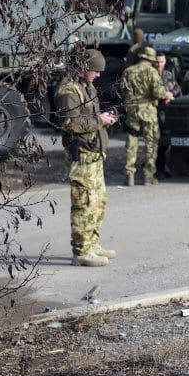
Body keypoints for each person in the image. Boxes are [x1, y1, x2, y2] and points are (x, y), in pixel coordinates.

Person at [54, 48, 119, 267]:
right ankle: (81, 251)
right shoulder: (68, 91)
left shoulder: (86, 86)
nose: (98, 75)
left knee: (98, 203)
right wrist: (99, 120)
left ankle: (92, 244)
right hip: (81, 156)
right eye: (95, 71)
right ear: (82, 68)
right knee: (84, 204)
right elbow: (70, 123)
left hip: (93, 154)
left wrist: (103, 119)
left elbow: (89, 117)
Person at [121, 46, 174, 186]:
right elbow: (157, 92)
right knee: (151, 143)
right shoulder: (152, 72)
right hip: (148, 111)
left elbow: (123, 91)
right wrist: (166, 93)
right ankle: (148, 176)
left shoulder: (128, 71)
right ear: (150, 59)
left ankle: (129, 175)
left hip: (133, 111)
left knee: (131, 142)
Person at [155, 51, 182, 180]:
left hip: (165, 112)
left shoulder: (168, 74)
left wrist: (171, 93)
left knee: (164, 143)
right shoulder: (150, 74)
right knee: (156, 143)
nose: (159, 65)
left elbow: (177, 88)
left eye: (161, 62)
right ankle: (157, 170)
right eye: (157, 62)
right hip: (153, 112)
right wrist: (162, 95)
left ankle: (165, 168)